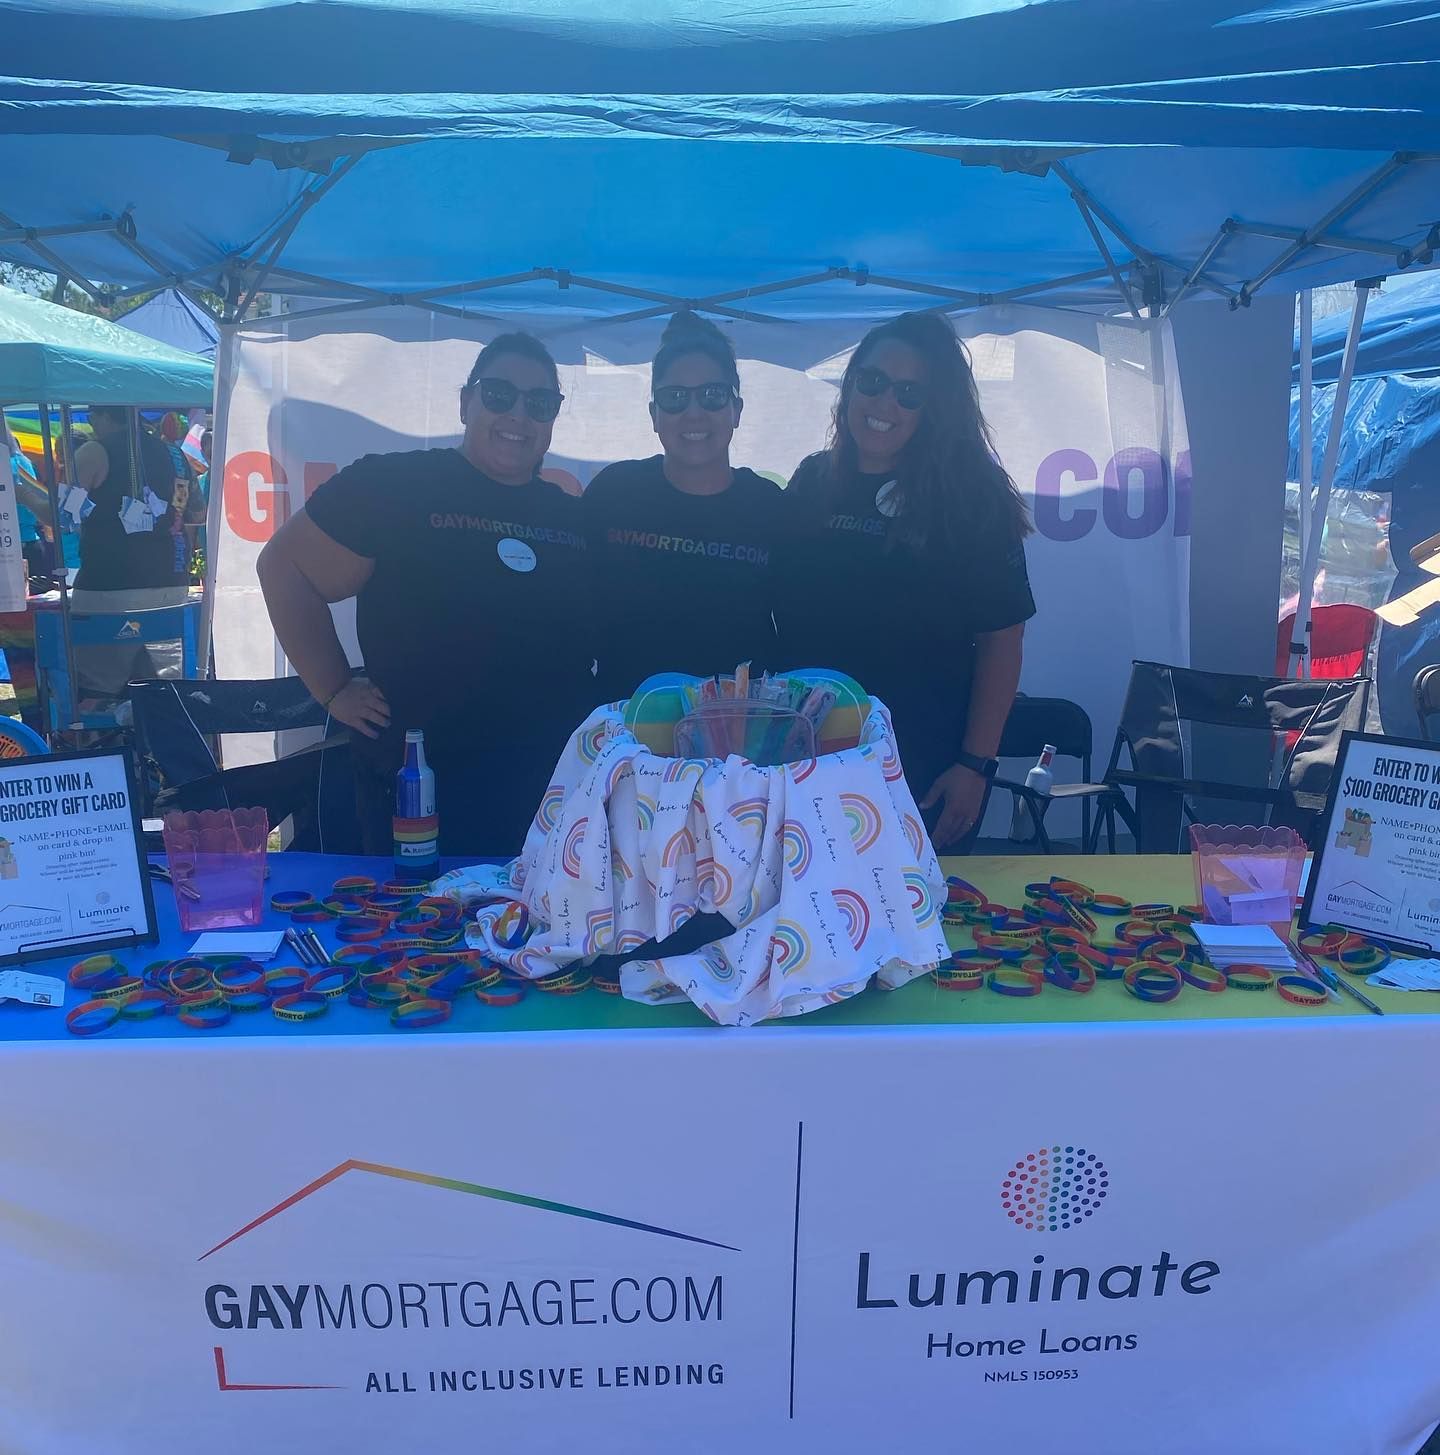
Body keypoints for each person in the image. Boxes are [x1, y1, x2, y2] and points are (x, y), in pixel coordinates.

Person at [258, 333, 594, 857]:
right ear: (466, 402)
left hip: (547, 793)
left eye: (540, 402)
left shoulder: (572, 516)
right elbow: (283, 566)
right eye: (499, 394)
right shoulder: (395, 487)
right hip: (421, 785)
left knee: (535, 933)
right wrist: (333, 688)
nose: (518, 414)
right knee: (415, 931)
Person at [779, 311, 1034, 849]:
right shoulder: (810, 482)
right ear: (850, 386)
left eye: (909, 393)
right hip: (805, 761)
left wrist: (974, 766)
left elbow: (1002, 641)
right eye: (871, 382)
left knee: (913, 928)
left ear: (935, 408)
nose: (884, 405)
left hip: (920, 770)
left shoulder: (971, 501)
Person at [583, 311, 785, 703]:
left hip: (739, 744)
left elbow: (804, 626)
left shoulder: (770, 507)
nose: (693, 412)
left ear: (736, 410)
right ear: (654, 415)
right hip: (628, 744)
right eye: (674, 398)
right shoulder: (613, 493)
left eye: (712, 395)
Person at [72, 405, 185, 597]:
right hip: (172, 582)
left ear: (106, 416)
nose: (92, 426)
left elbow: (62, 513)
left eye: (91, 419)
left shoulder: (93, 452)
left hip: (110, 586)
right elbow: (196, 512)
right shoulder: (175, 454)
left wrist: (23, 490)